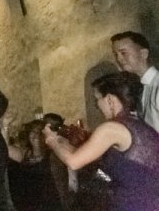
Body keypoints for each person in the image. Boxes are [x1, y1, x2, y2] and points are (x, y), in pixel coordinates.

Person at [44, 71, 159, 211]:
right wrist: (61, 140)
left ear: (110, 99)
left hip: (134, 204)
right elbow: (85, 155)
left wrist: (51, 140)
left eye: (97, 99)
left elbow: (74, 161)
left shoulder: (112, 128)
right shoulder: (139, 125)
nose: (97, 105)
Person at [110, 31, 159, 131]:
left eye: (124, 53)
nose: (119, 59)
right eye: (116, 54)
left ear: (143, 53)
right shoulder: (141, 86)